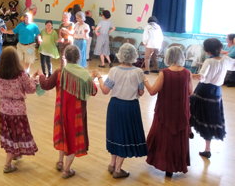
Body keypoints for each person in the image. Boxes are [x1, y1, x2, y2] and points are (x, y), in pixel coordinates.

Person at [39, 45, 97, 179]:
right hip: (76, 113)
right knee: (72, 138)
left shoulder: (60, 72)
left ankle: (60, 161)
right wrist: (93, 77)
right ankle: (66, 170)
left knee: (63, 134)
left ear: (65, 57)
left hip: (60, 110)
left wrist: (41, 75)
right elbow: (93, 91)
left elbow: (45, 85)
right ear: (78, 57)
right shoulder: (84, 74)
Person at [94, 43, 147, 179]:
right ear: (134, 55)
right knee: (126, 136)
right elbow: (141, 92)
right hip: (131, 107)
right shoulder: (138, 72)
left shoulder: (114, 71)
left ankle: (112, 164)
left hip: (115, 106)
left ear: (120, 54)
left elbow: (105, 90)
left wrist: (99, 77)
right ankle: (118, 169)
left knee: (115, 134)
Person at [144, 46, 192, 177]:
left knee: (164, 136)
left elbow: (153, 91)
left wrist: (145, 81)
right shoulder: (187, 73)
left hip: (165, 110)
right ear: (181, 57)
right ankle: (175, 165)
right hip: (181, 111)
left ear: (168, 57)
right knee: (177, 139)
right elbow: (190, 92)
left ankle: (164, 163)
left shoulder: (164, 72)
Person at [191, 38, 235, 159]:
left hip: (203, 90)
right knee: (210, 118)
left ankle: (188, 131)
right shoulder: (226, 60)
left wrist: (190, 75)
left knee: (192, 110)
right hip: (216, 92)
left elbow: (202, 77)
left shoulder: (209, 61)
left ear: (206, 50)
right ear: (220, 48)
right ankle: (207, 149)